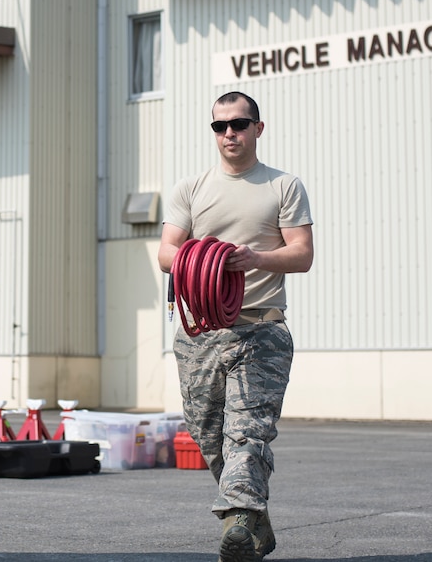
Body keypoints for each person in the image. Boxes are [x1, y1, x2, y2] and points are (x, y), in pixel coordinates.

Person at [157, 91, 313, 562]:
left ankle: (239, 524)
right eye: (220, 126)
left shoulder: (283, 186)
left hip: (260, 330)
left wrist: (253, 258)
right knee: (206, 432)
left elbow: (302, 254)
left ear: (258, 129)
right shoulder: (192, 187)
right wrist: (201, 257)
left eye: (239, 124)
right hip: (199, 331)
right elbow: (166, 252)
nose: (230, 133)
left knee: (247, 431)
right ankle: (252, 517)